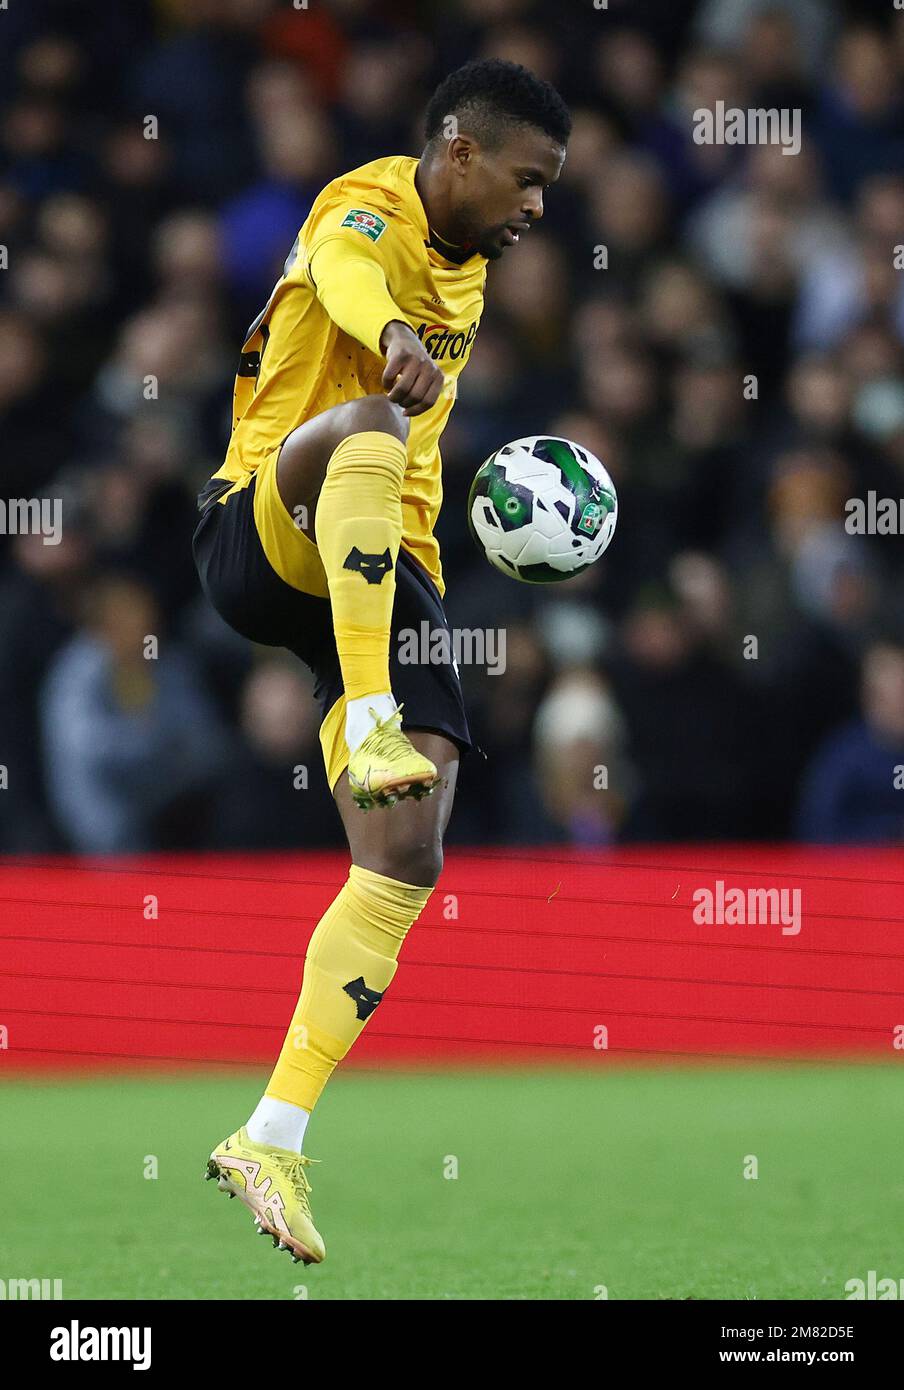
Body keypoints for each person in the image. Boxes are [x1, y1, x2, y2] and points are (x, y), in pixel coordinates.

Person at [194, 58, 570, 1265]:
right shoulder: (368, 203)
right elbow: (349, 272)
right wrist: (391, 333)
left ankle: (271, 1132)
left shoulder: (469, 266)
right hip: (264, 521)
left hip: (393, 568)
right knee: (370, 419)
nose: (536, 208)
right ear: (458, 151)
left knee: (408, 852)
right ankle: (364, 714)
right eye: (527, 179)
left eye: (550, 189)